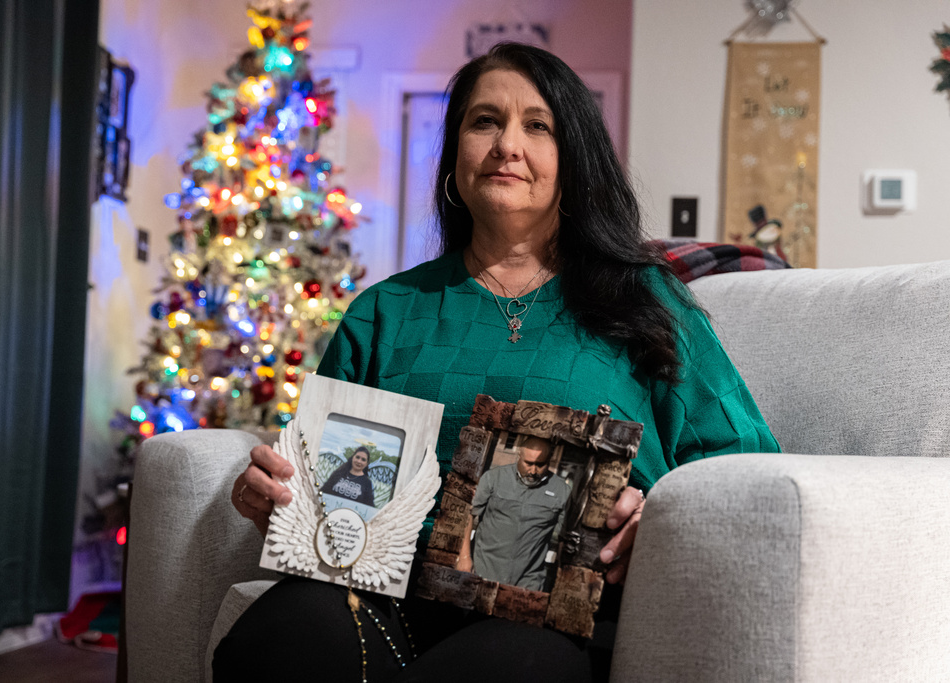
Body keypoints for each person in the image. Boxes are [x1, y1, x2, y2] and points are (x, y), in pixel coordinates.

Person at [217, 42, 781, 682]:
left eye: (537, 125)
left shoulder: (647, 304)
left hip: (548, 621)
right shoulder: (386, 311)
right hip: (380, 602)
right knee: (279, 639)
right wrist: (276, 496)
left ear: (574, 158)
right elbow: (325, 483)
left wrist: (657, 518)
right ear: (455, 152)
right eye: (484, 121)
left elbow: (747, 465)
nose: (507, 144)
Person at [457, 436, 570, 591]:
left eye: (540, 464)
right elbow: (466, 514)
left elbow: (565, 536)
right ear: (519, 456)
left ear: (550, 460)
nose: (533, 470)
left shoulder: (562, 491)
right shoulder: (493, 478)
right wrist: (464, 558)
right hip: (483, 570)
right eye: (528, 463)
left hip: (528, 582)